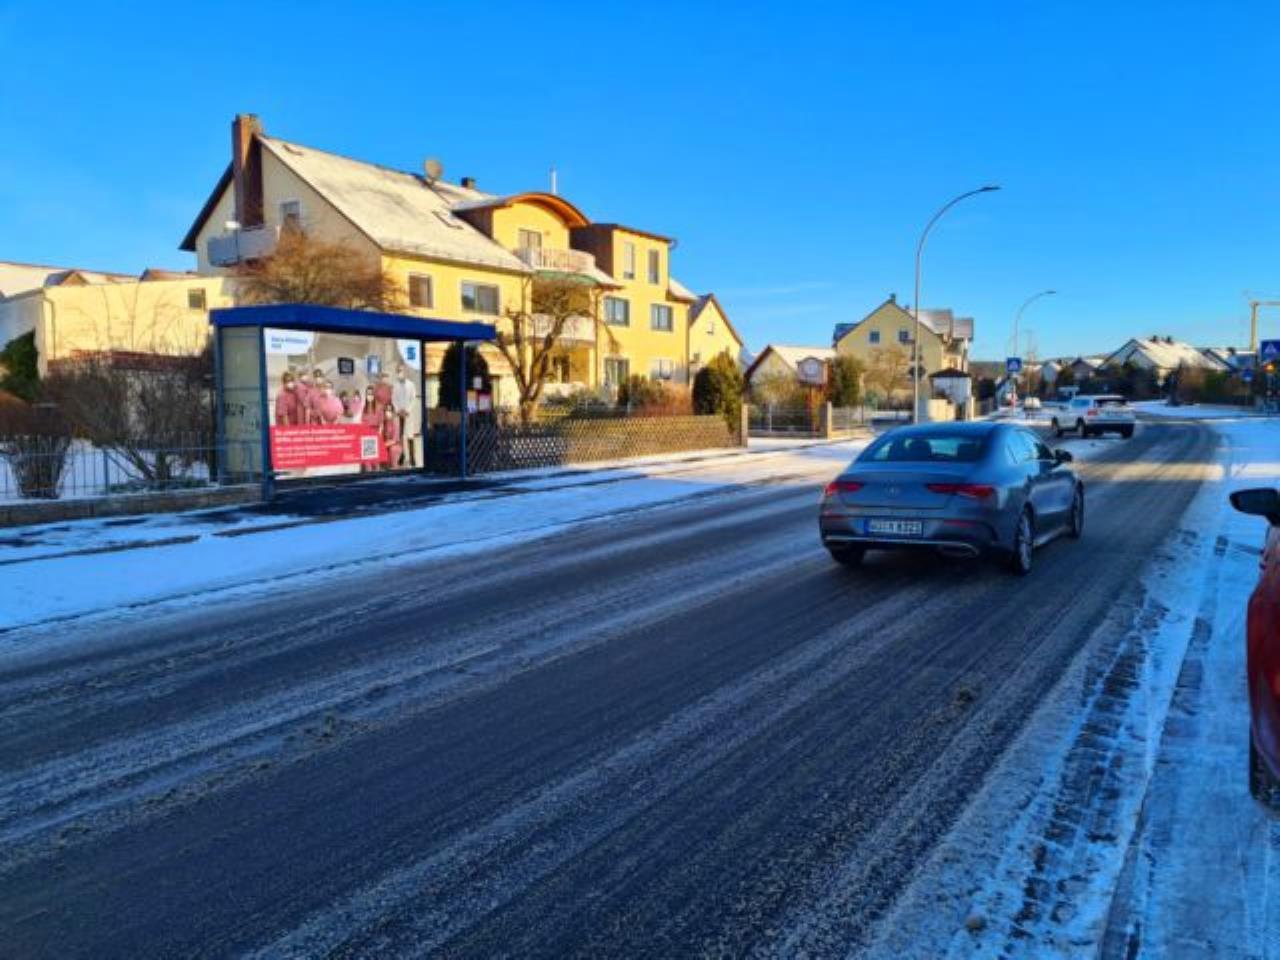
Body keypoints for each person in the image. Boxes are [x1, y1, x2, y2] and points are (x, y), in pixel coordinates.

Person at [392, 363, 419, 467]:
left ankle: (413, 458)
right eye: (398, 371)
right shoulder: (395, 385)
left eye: (402, 370)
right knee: (400, 437)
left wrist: (407, 410)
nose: (400, 372)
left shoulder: (411, 384)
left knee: (410, 437)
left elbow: (413, 399)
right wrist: (398, 410)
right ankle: (402, 456)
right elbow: (394, 399)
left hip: (408, 415)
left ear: (406, 372)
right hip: (399, 415)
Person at [380, 402, 402, 470]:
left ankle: (394, 467)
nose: (387, 412)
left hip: (395, 445)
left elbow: (395, 440)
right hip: (387, 445)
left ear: (393, 411)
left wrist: (383, 445)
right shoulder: (385, 421)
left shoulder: (395, 420)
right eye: (386, 410)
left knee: (392, 450)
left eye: (389, 410)